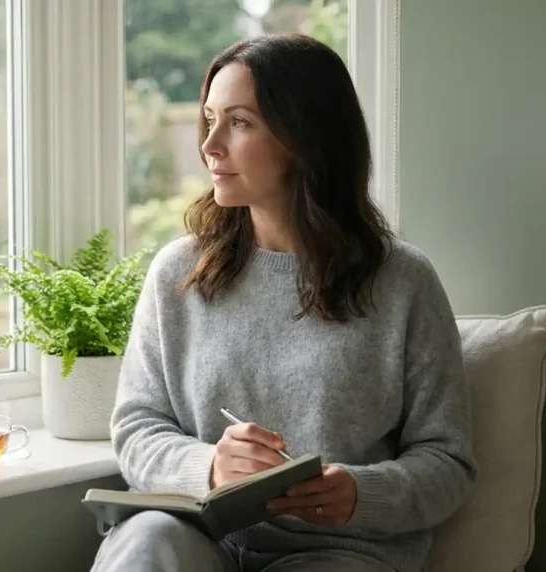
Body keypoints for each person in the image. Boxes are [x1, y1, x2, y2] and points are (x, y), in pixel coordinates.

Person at [90, 33, 476, 572]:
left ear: (305, 137)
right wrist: (210, 467)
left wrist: (360, 493)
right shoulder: (177, 273)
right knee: (146, 540)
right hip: (202, 540)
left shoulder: (403, 282)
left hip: (338, 554)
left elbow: (448, 463)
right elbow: (136, 429)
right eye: (210, 119)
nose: (210, 145)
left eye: (239, 122)